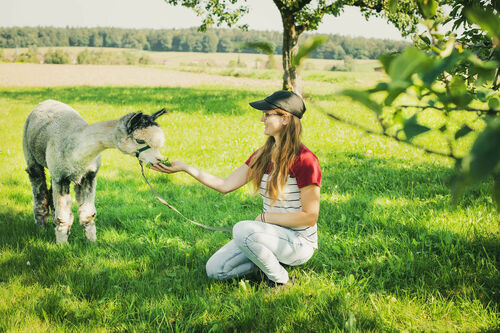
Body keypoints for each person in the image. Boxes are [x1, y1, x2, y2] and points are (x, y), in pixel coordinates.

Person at [151, 90, 321, 286]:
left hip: (298, 243)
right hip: (267, 236)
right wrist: (185, 168)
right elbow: (225, 185)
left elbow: (310, 216)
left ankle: (281, 280)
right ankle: (266, 264)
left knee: (243, 230)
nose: (261, 119)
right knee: (215, 270)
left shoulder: (305, 160)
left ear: (285, 119)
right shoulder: (262, 155)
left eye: (267, 114)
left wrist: (266, 218)